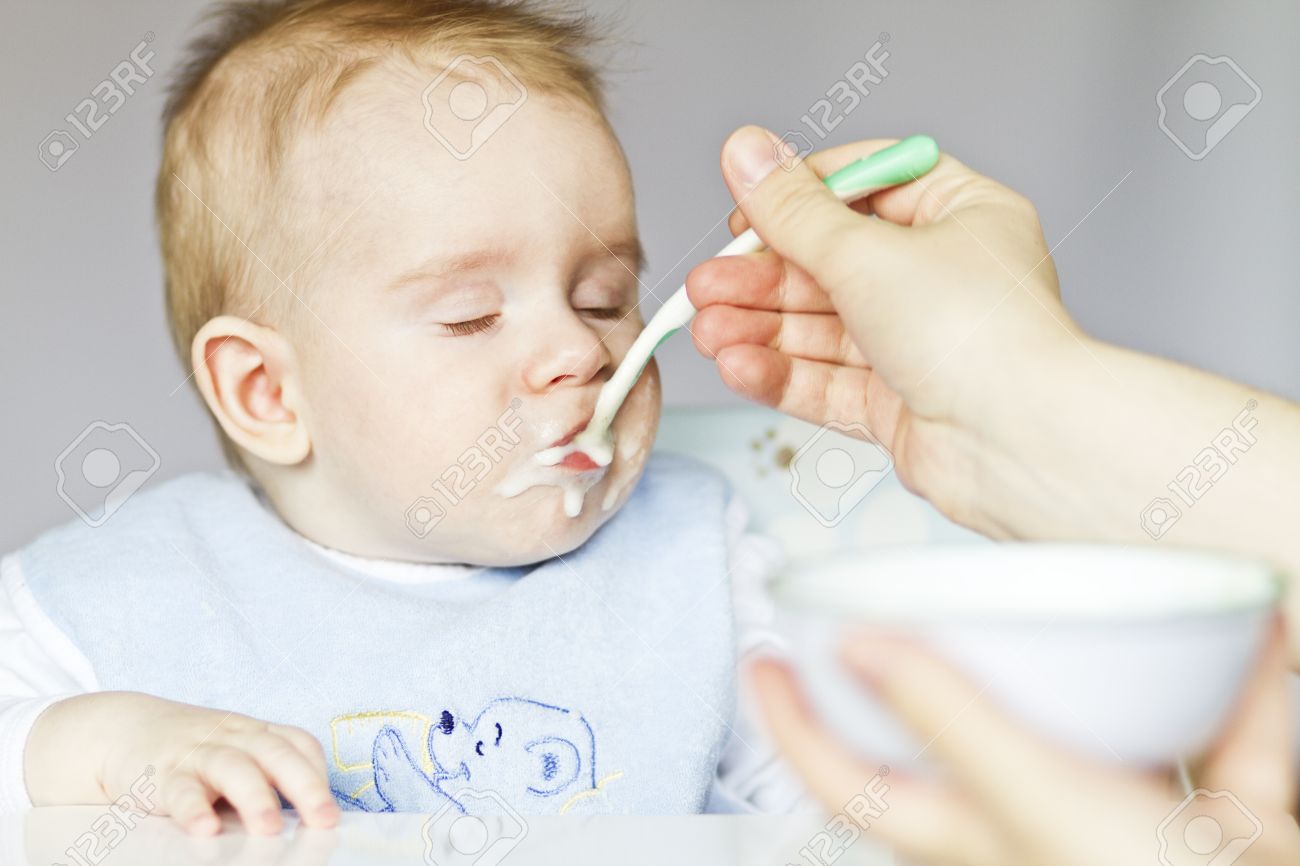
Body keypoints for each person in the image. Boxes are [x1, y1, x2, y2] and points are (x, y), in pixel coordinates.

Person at [0, 1, 788, 834]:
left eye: (604, 299)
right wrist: (110, 744)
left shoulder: (693, 557)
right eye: (471, 316)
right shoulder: (123, 595)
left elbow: (833, 802)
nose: (580, 350)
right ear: (266, 391)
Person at [687, 125, 1300, 864]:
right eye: (496, 317)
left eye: (601, 304)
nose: (576, 355)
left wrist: (1032, 396)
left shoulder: (702, 536)